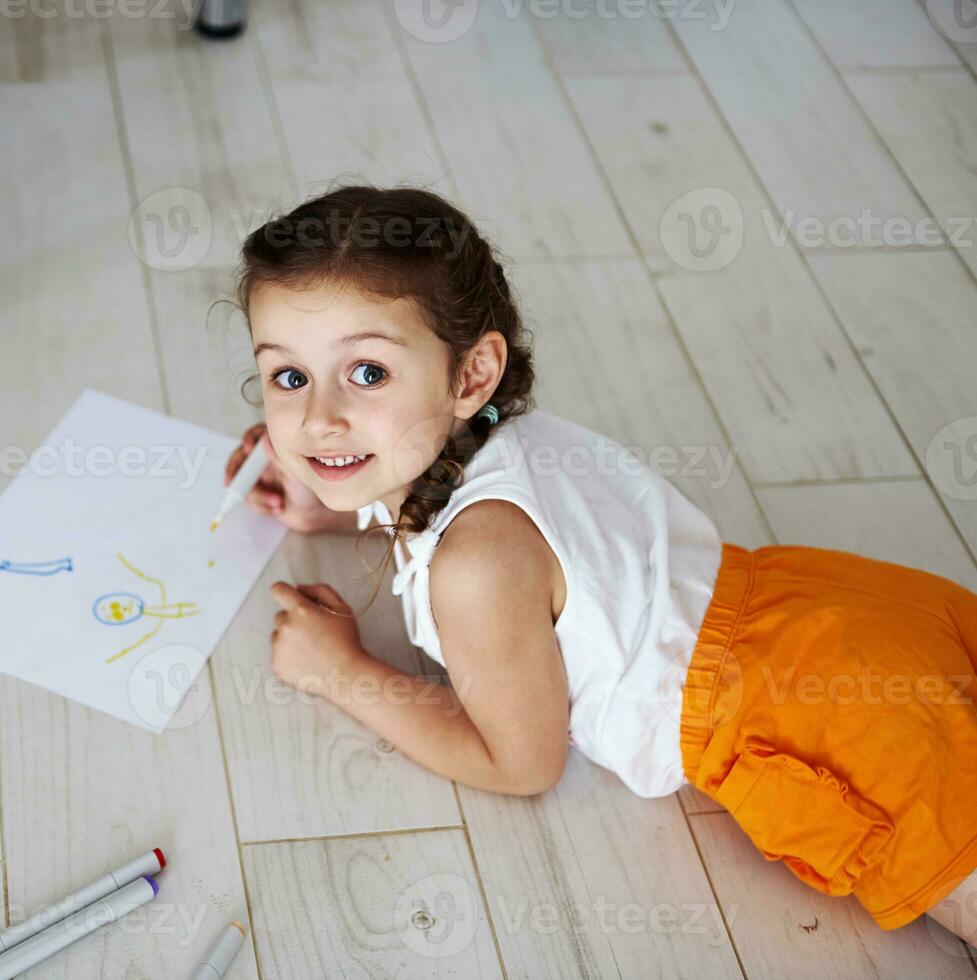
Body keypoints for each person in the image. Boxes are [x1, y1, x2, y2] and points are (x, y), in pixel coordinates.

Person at [221, 183, 977, 943]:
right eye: (289, 378)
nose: (318, 418)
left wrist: (339, 671)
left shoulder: (475, 567)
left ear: (470, 376)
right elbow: (436, 491)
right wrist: (341, 500)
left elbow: (521, 764)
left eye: (367, 373)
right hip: (837, 611)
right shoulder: (491, 435)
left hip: (816, 718)